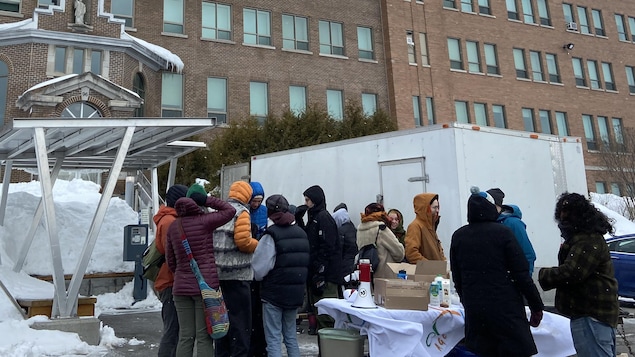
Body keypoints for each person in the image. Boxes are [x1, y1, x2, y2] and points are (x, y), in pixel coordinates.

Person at [450, 186, 544, 357]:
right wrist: (536, 305)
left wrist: (467, 300)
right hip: (505, 307)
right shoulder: (503, 233)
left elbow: (457, 276)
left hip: (476, 310)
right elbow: (521, 272)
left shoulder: (459, 236)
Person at [538, 192, 619, 357]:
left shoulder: (587, 240)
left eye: (565, 216)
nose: (561, 220)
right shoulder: (584, 238)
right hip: (591, 313)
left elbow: (572, 272)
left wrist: (542, 275)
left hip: (591, 314)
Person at [165, 194, 236, 357]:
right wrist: (206, 199)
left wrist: (182, 275)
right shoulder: (204, 221)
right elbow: (229, 210)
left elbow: (171, 261)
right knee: (204, 336)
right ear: (195, 206)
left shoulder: (174, 227)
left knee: (185, 336)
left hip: (180, 288)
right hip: (205, 289)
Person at [252, 194, 310, 357]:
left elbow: (259, 269)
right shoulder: (301, 233)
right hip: (295, 294)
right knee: (291, 337)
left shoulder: (271, 235)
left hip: (274, 294)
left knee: (273, 339)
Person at [213, 181, 260, 357]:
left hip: (218, 276)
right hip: (237, 275)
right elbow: (243, 242)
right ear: (247, 196)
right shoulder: (241, 212)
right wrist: (257, 244)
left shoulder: (220, 211)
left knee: (222, 324)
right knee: (240, 325)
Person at [294, 185, 342, 335]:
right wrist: (299, 220)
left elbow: (328, 247)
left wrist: (321, 270)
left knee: (325, 314)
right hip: (316, 273)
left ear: (315, 200)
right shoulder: (314, 218)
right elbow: (308, 240)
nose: (306, 203)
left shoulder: (323, 218)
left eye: (308, 200)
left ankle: (330, 346)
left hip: (325, 275)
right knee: (318, 311)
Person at [153, 184, 188, 357]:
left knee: (176, 330)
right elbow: (172, 254)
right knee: (173, 330)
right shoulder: (169, 222)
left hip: (170, 280)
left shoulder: (169, 219)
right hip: (170, 282)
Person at [487, 188, 537, 276]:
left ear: (498, 205)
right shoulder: (489, 223)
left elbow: (527, 253)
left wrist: (526, 278)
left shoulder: (513, 224)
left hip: (512, 280)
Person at [356, 203, 404, 279]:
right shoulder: (381, 229)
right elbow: (399, 253)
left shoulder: (360, 230)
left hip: (366, 277)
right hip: (383, 278)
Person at [248, 181, 268, 357]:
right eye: (254, 200)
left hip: (260, 255)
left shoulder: (264, 212)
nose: (256, 203)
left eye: (259, 200)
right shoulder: (244, 212)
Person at [404, 193, 446, 262]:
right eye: (434, 207)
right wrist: (430, 267)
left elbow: (439, 250)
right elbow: (411, 253)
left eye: (438, 207)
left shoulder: (430, 226)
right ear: (426, 208)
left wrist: (443, 263)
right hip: (427, 272)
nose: (437, 210)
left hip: (437, 271)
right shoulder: (415, 226)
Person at [332, 203, 358, 278]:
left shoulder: (340, 231)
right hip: (353, 264)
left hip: (344, 266)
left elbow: (338, 251)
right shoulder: (353, 228)